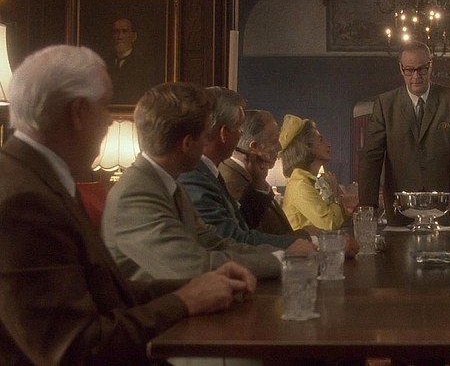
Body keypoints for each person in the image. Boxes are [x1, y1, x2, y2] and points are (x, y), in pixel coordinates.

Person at [0, 45, 255, 364]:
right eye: (105, 107)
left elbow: (108, 292)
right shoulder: (23, 201)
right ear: (78, 113)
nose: (110, 120)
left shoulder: (39, 178)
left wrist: (197, 286)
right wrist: (184, 301)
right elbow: (75, 347)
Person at [102, 82, 285, 281]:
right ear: (187, 143)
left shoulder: (170, 186)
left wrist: (286, 256)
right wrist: (282, 262)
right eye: (206, 136)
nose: (207, 143)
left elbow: (216, 244)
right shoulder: (135, 195)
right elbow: (192, 266)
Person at [358, 40, 450, 226]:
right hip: (400, 206)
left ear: (431, 66)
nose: (416, 76)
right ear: (401, 69)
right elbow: (372, 156)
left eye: (422, 69)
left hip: (445, 206)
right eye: (409, 70)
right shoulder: (385, 104)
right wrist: (367, 204)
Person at [178, 87, 316, 252]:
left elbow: (242, 225)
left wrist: (257, 185)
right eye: (239, 129)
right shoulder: (194, 178)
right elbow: (231, 239)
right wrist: (300, 242)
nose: (240, 136)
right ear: (224, 134)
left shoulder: (210, 172)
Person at [220, 109, 311, 237]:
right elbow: (251, 235)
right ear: (254, 147)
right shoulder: (232, 182)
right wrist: (306, 235)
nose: (280, 147)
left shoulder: (253, 176)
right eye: (274, 140)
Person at [280, 114, 353, 230]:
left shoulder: (313, 182)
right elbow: (330, 224)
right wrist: (334, 195)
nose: (328, 145)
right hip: (306, 242)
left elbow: (344, 218)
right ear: (307, 147)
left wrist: (337, 194)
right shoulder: (300, 185)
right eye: (321, 140)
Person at [105, 17, 165, 104]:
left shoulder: (144, 65)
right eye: (116, 32)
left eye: (124, 31)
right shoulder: (105, 63)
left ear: (134, 37)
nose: (120, 36)